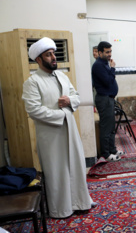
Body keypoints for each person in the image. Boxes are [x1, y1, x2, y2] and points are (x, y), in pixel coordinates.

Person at [22, 37, 96, 218]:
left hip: (70, 130)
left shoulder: (62, 76)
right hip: (50, 134)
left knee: (75, 165)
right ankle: (61, 209)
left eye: (54, 53)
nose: (54, 57)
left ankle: (80, 201)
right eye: (49, 55)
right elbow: (34, 110)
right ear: (38, 60)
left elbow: (76, 96)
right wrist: (62, 114)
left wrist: (70, 101)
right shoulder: (32, 82)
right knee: (57, 170)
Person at [92, 41, 125, 162]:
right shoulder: (98, 65)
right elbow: (108, 81)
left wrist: (111, 68)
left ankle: (113, 150)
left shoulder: (105, 63)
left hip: (109, 99)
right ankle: (106, 154)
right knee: (106, 128)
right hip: (104, 99)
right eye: (107, 52)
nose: (109, 54)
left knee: (111, 127)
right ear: (100, 52)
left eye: (110, 51)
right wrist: (113, 69)